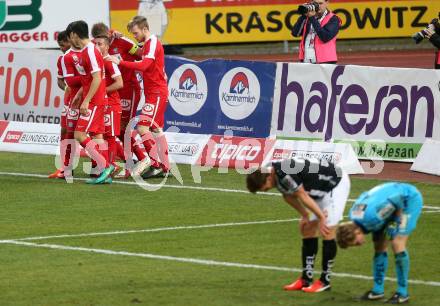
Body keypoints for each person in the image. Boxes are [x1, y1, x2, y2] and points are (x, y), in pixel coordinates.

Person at [246, 157, 350, 293]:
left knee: (327, 230)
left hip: (335, 183)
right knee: (307, 229)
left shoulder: (282, 173)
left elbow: (301, 194)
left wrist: (321, 218)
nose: (264, 190)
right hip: (318, 189)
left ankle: (325, 281)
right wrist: (305, 215)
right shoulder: (271, 171)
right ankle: (306, 279)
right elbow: (287, 195)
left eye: (262, 188)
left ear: (268, 179)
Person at [336, 182, 423, 304]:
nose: (359, 245)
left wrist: (395, 222)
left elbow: (398, 199)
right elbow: (365, 196)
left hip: (408, 199)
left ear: (356, 231)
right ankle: (377, 291)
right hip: (388, 204)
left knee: (397, 242)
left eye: (355, 243)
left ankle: (403, 294)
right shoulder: (356, 216)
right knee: (379, 245)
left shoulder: (372, 217)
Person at [108, 15, 170, 179]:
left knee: (143, 127)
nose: (135, 37)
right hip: (154, 92)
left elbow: (144, 65)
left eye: (136, 33)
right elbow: (140, 52)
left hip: (156, 92)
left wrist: (119, 62)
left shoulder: (153, 42)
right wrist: (113, 33)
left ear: (144, 29)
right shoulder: (148, 43)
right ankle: (165, 166)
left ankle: (155, 164)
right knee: (156, 129)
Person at [91, 23, 147, 178]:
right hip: (114, 92)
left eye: (101, 41)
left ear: (108, 36)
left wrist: (127, 66)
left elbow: (144, 56)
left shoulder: (124, 42)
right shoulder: (97, 45)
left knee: (123, 128)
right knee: (112, 130)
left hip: (129, 89)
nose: (97, 45)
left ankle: (141, 159)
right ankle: (127, 162)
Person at [66, 20, 114, 184]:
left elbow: (97, 78)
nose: (70, 40)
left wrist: (86, 101)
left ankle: (106, 165)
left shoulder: (90, 51)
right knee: (98, 136)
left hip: (94, 100)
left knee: (79, 135)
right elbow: (89, 79)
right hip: (95, 98)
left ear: (74, 35)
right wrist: (80, 93)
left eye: (70, 36)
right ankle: (106, 172)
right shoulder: (89, 50)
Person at [94, 35, 124, 170]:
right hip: (102, 104)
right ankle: (104, 165)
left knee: (110, 137)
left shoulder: (109, 62)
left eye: (100, 44)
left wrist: (102, 91)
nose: (97, 46)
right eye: (95, 44)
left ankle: (110, 166)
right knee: (101, 135)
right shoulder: (97, 62)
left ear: (107, 47)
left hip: (111, 104)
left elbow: (120, 83)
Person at [49, 30, 72, 179]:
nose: (61, 47)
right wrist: (66, 88)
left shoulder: (80, 56)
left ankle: (103, 164)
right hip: (68, 100)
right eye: (59, 45)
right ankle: (65, 167)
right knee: (64, 131)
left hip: (82, 101)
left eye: (63, 44)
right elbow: (59, 80)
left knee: (76, 134)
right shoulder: (62, 59)